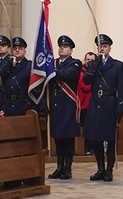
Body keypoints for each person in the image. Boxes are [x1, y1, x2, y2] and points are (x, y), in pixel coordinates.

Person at [83, 34, 123, 182]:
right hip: (96, 103)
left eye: (105, 46)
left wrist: (121, 107)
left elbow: (122, 88)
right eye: (100, 46)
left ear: (109, 48)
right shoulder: (93, 65)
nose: (102, 48)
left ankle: (109, 169)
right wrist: (92, 68)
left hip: (110, 103)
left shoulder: (117, 65)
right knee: (96, 139)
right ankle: (100, 168)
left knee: (110, 138)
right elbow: (86, 82)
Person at [48, 35, 82, 180]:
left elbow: (67, 76)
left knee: (68, 137)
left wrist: (51, 71)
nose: (62, 48)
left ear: (71, 50)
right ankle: (59, 166)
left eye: (65, 46)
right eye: (60, 46)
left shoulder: (75, 63)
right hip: (55, 103)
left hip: (68, 104)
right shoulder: (53, 62)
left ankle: (68, 168)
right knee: (58, 137)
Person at [0, 37, 40, 116]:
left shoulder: (29, 66)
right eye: (15, 48)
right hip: (8, 104)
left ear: (24, 51)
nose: (17, 50)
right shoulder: (7, 65)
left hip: (23, 104)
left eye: (20, 48)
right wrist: (8, 64)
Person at [78, 52, 96, 155]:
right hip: (84, 104)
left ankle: (93, 148)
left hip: (93, 104)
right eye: (88, 60)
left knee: (93, 127)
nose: (89, 62)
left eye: (92, 60)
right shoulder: (81, 72)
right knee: (85, 127)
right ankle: (86, 148)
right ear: (84, 61)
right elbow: (85, 86)